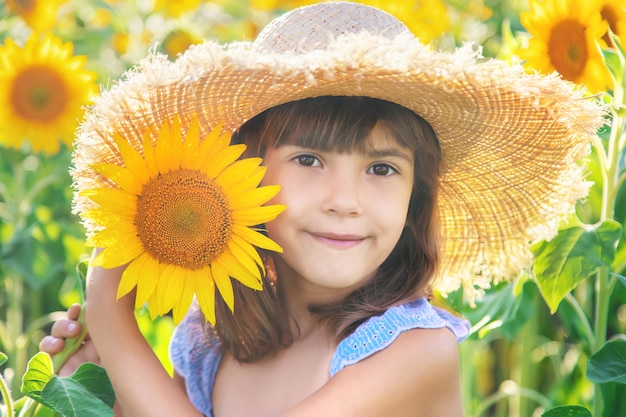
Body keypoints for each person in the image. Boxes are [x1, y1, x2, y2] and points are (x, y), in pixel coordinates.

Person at [39, 2, 604, 416]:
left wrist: (114, 324)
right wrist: (107, 389)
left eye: (382, 169)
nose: (344, 202)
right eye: (309, 160)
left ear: (417, 199)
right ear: (241, 175)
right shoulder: (211, 340)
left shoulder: (414, 351)